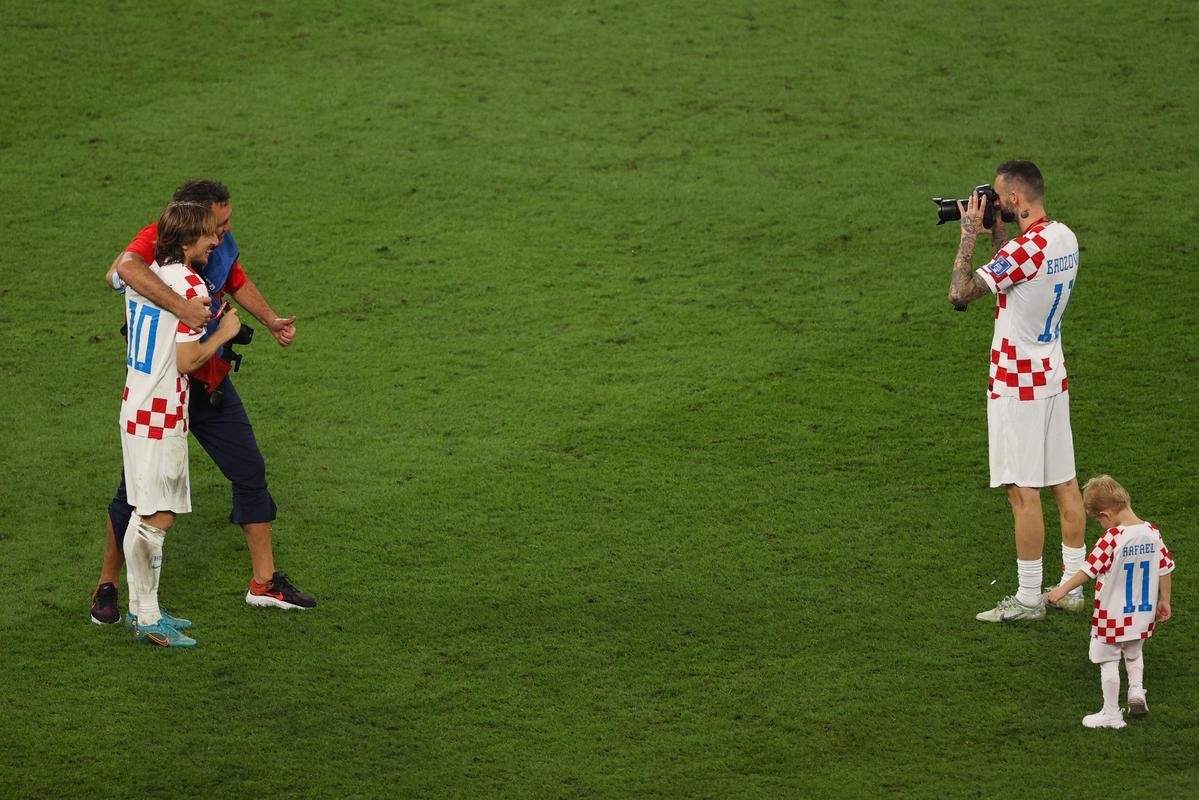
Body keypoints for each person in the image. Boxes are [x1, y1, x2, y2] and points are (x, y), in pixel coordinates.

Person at [90, 179, 315, 625]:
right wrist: (187, 308)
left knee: (249, 469)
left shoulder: (213, 247)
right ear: (193, 222)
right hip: (166, 386)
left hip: (207, 382)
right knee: (136, 495)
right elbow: (123, 270)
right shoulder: (160, 241)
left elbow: (236, 280)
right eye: (218, 224)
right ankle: (112, 588)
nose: (224, 233)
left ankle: (264, 583)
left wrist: (269, 320)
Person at [946, 160, 1087, 622]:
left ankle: (1029, 600)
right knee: (1063, 482)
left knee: (1022, 491)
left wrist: (968, 232)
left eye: (1001, 198)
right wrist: (996, 237)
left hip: (1016, 385)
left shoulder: (1025, 252)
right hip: (1051, 373)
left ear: (1015, 201)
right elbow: (1016, 275)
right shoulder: (1063, 237)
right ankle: (1071, 585)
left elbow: (961, 292)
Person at [120, 200, 243, 646]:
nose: (217, 240)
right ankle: (148, 621)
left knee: (144, 510)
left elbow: (119, 273)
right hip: (160, 410)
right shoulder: (191, 287)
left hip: (135, 403)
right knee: (159, 515)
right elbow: (188, 360)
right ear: (189, 239)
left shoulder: (149, 277)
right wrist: (225, 332)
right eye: (210, 233)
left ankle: (142, 608)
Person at [1046, 475, 1174, 729]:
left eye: (1098, 520)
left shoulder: (1112, 538)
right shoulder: (1151, 532)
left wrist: (1061, 591)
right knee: (1134, 653)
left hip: (1112, 615)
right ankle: (1136, 692)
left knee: (1109, 661)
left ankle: (1112, 714)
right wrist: (1165, 600)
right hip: (1142, 611)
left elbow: (1088, 570)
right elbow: (1165, 568)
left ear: (1104, 514)